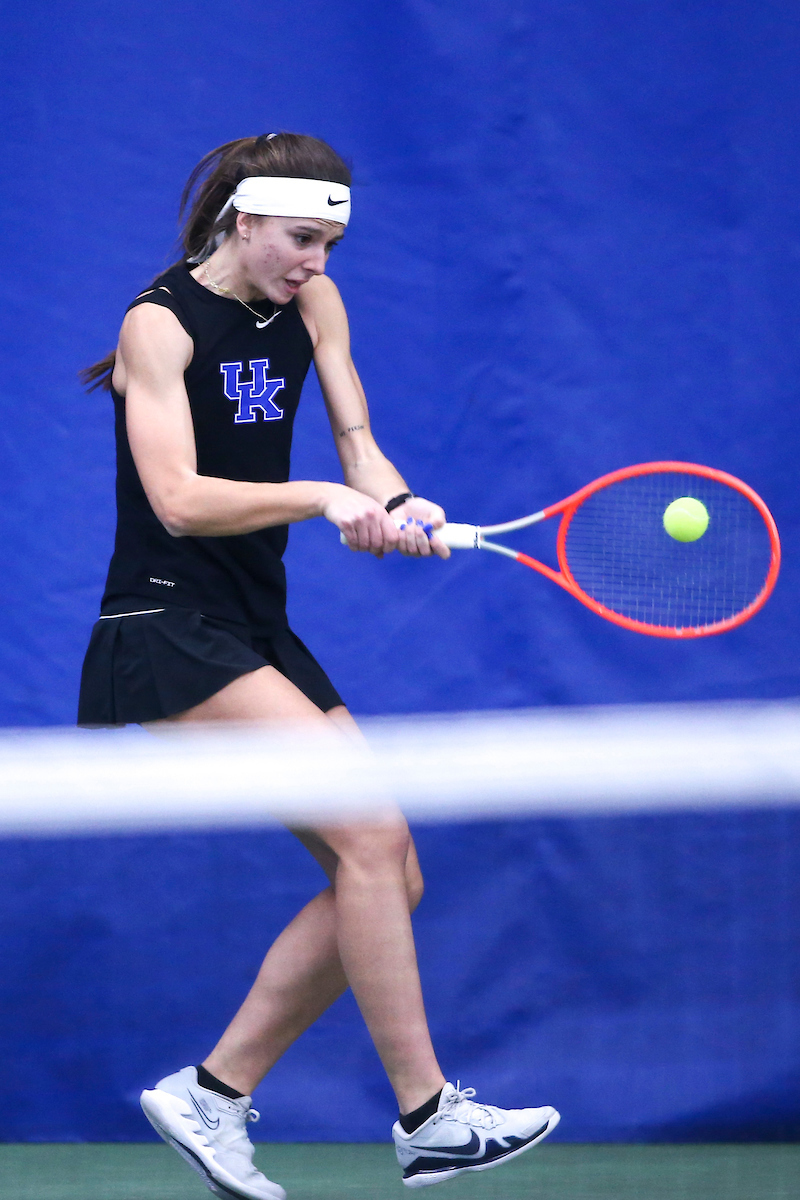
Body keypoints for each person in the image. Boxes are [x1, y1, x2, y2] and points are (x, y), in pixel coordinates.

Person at [79, 132, 559, 1199]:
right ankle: (428, 1117)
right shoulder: (155, 326)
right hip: (162, 622)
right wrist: (322, 501)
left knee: (388, 870)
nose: (316, 263)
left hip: (253, 620)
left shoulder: (314, 308)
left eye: (332, 244)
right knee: (372, 836)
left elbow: (355, 444)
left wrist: (391, 502)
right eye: (300, 239)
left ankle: (214, 1091)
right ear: (242, 220)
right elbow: (179, 501)